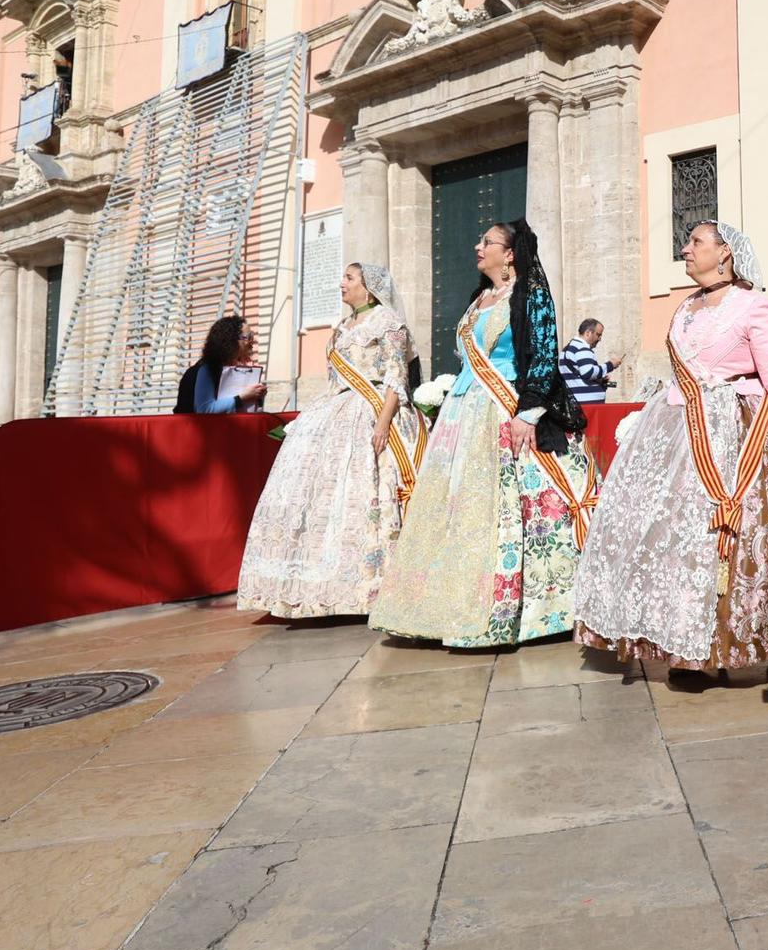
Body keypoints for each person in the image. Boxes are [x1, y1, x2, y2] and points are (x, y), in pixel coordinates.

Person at [573, 221, 768, 671]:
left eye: (696, 243)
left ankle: (722, 643)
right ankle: (673, 640)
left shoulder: (754, 306)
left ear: (724, 253)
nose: (685, 250)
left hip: (737, 433)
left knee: (732, 538)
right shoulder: (685, 308)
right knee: (669, 534)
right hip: (678, 430)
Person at [371, 220, 597, 647]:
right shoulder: (479, 299)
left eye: (488, 242)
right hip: (462, 414)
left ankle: (529, 610)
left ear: (510, 254)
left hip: (506, 412)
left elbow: (544, 355)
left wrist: (528, 414)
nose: (478, 247)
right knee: (453, 507)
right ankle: (438, 607)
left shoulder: (529, 294)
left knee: (514, 509)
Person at [236, 263, 426, 618]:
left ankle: (369, 587)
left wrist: (383, 424)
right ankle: (310, 588)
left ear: (368, 288)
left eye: (349, 279)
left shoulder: (388, 323)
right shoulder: (341, 328)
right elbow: (333, 379)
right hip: (336, 411)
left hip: (373, 411)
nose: (342, 283)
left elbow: (396, 379)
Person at [173, 317, 268, 414]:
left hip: (228, 427)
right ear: (231, 340)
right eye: (249, 336)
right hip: (200, 428)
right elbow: (205, 410)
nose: (253, 341)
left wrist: (257, 397)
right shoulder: (207, 369)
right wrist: (243, 397)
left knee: (279, 428)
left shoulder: (233, 369)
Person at [558, 318, 617, 406]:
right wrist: (610, 365)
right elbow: (588, 372)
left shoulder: (569, 348)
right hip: (587, 406)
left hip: (578, 402)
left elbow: (578, 375)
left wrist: (600, 380)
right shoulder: (582, 348)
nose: (599, 339)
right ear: (588, 333)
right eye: (598, 335)